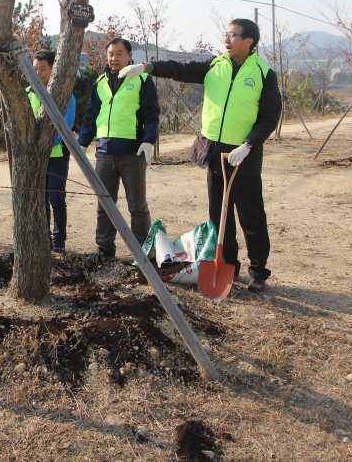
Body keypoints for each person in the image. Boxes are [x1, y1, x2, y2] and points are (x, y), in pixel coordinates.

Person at [120, 18, 281, 292]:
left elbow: (269, 116)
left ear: (249, 41)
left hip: (243, 155)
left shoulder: (264, 74)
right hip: (215, 152)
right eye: (226, 34)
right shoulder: (215, 66)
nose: (227, 39)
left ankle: (259, 271)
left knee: (251, 214)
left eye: (233, 35)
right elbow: (180, 69)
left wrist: (249, 144)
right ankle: (229, 262)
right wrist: (147, 67)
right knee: (219, 214)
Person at [78, 38, 160, 261]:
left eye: (119, 53)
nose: (114, 58)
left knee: (137, 205)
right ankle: (105, 249)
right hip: (104, 152)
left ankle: (143, 249)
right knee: (105, 202)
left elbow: (151, 113)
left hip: (132, 152)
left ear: (129, 55)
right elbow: (91, 115)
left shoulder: (142, 79)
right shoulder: (100, 82)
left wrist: (148, 140)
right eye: (111, 54)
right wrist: (83, 142)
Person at [29, 50, 76, 253]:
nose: (38, 73)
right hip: (34, 157)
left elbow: (67, 123)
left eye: (43, 68)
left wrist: (47, 143)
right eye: (35, 69)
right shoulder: (27, 93)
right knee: (39, 200)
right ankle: (43, 239)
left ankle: (59, 240)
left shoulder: (64, 94)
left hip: (57, 155)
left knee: (56, 199)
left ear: (52, 69)